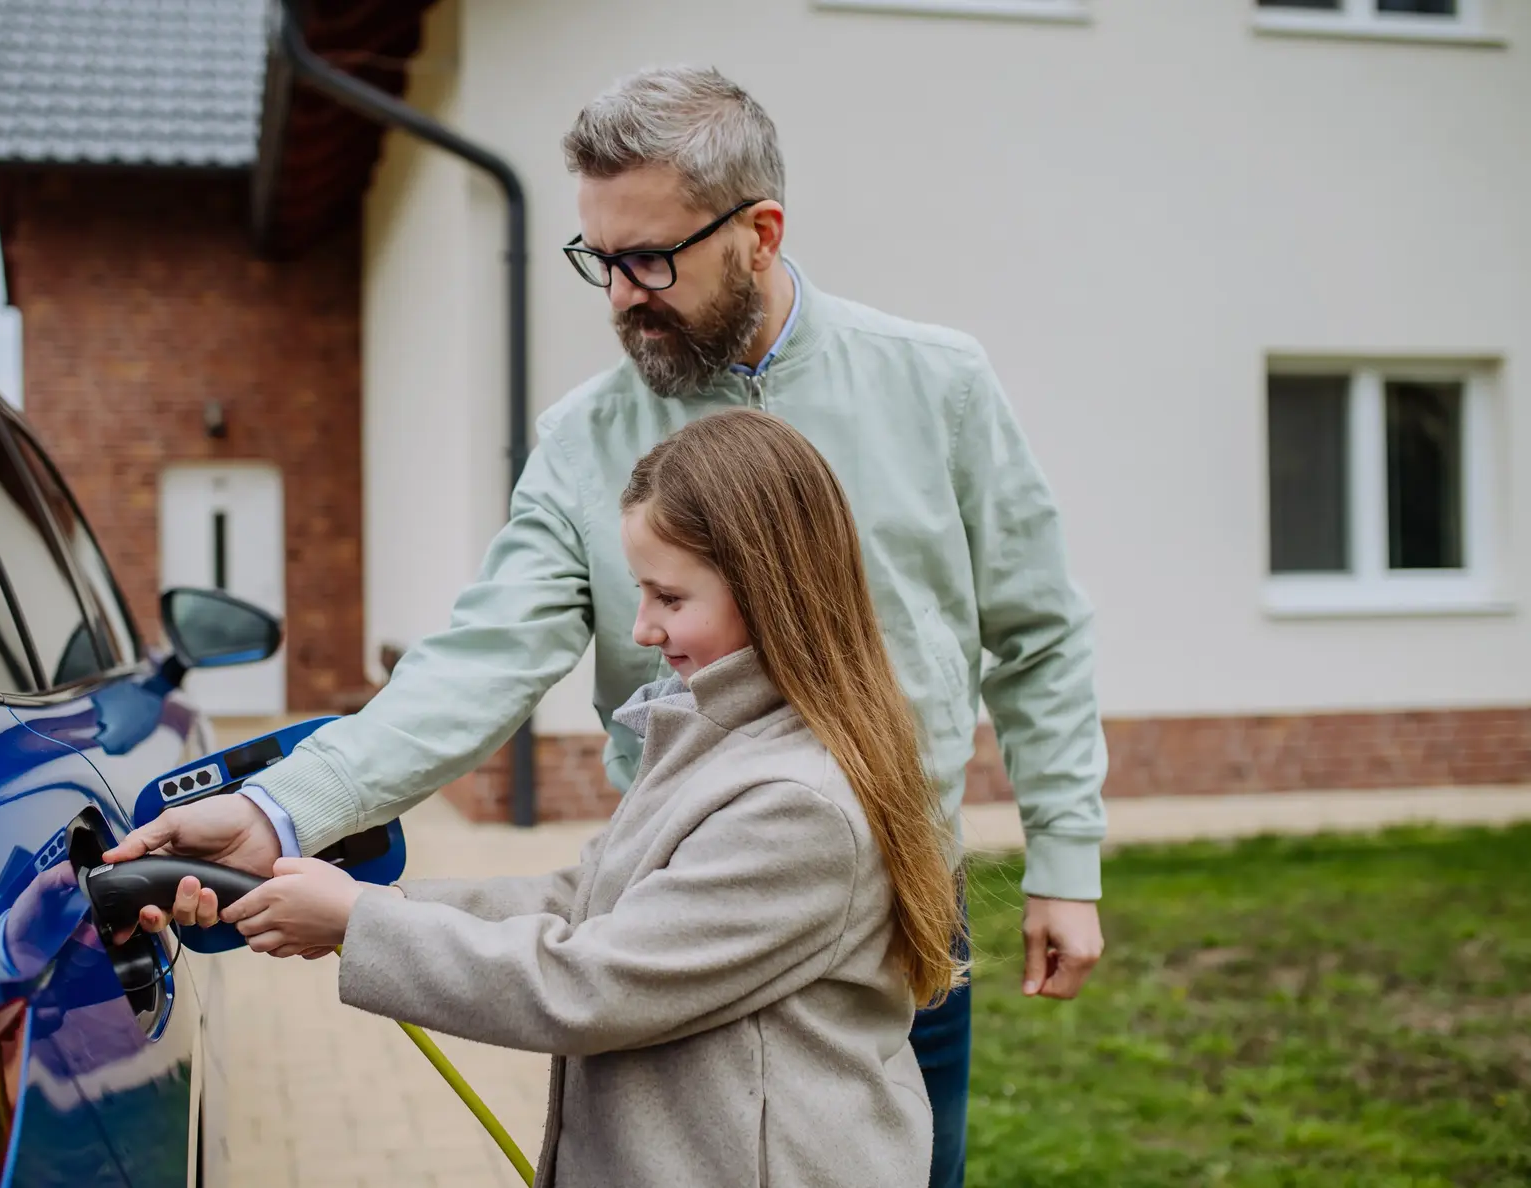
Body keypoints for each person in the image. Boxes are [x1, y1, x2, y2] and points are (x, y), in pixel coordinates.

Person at [104, 63, 1108, 1187]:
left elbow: (1037, 632)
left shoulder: (937, 386)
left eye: (649, 260)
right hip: (671, 900)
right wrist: (283, 812)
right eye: (600, 261)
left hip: (898, 913)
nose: (621, 295)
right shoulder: (583, 441)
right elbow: (478, 667)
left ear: (759, 232)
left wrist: (1065, 860)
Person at [243, 409, 966, 1186]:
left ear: (770, 588)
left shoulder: (799, 804)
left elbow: (593, 984)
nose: (643, 627)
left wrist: (362, 924)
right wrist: (367, 907)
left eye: (670, 598)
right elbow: (584, 900)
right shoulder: (718, 732)